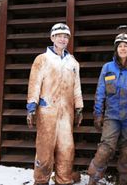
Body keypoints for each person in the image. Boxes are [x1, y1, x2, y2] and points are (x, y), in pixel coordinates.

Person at [26, 23, 84, 185]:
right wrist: (31, 107)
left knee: (67, 149)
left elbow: (76, 87)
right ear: (52, 38)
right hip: (46, 111)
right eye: (59, 36)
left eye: (66, 36)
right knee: (45, 149)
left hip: (66, 113)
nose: (62, 39)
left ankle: (63, 180)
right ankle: (41, 180)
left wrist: (79, 108)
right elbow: (34, 84)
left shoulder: (72, 62)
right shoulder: (42, 59)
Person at [86, 33, 127, 185]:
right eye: (120, 46)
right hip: (112, 115)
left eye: (126, 46)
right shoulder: (107, 68)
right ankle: (93, 178)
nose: (123, 48)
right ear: (116, 49)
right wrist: (98, 114)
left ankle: (123, 180)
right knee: (105, 148)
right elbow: (100, 92)